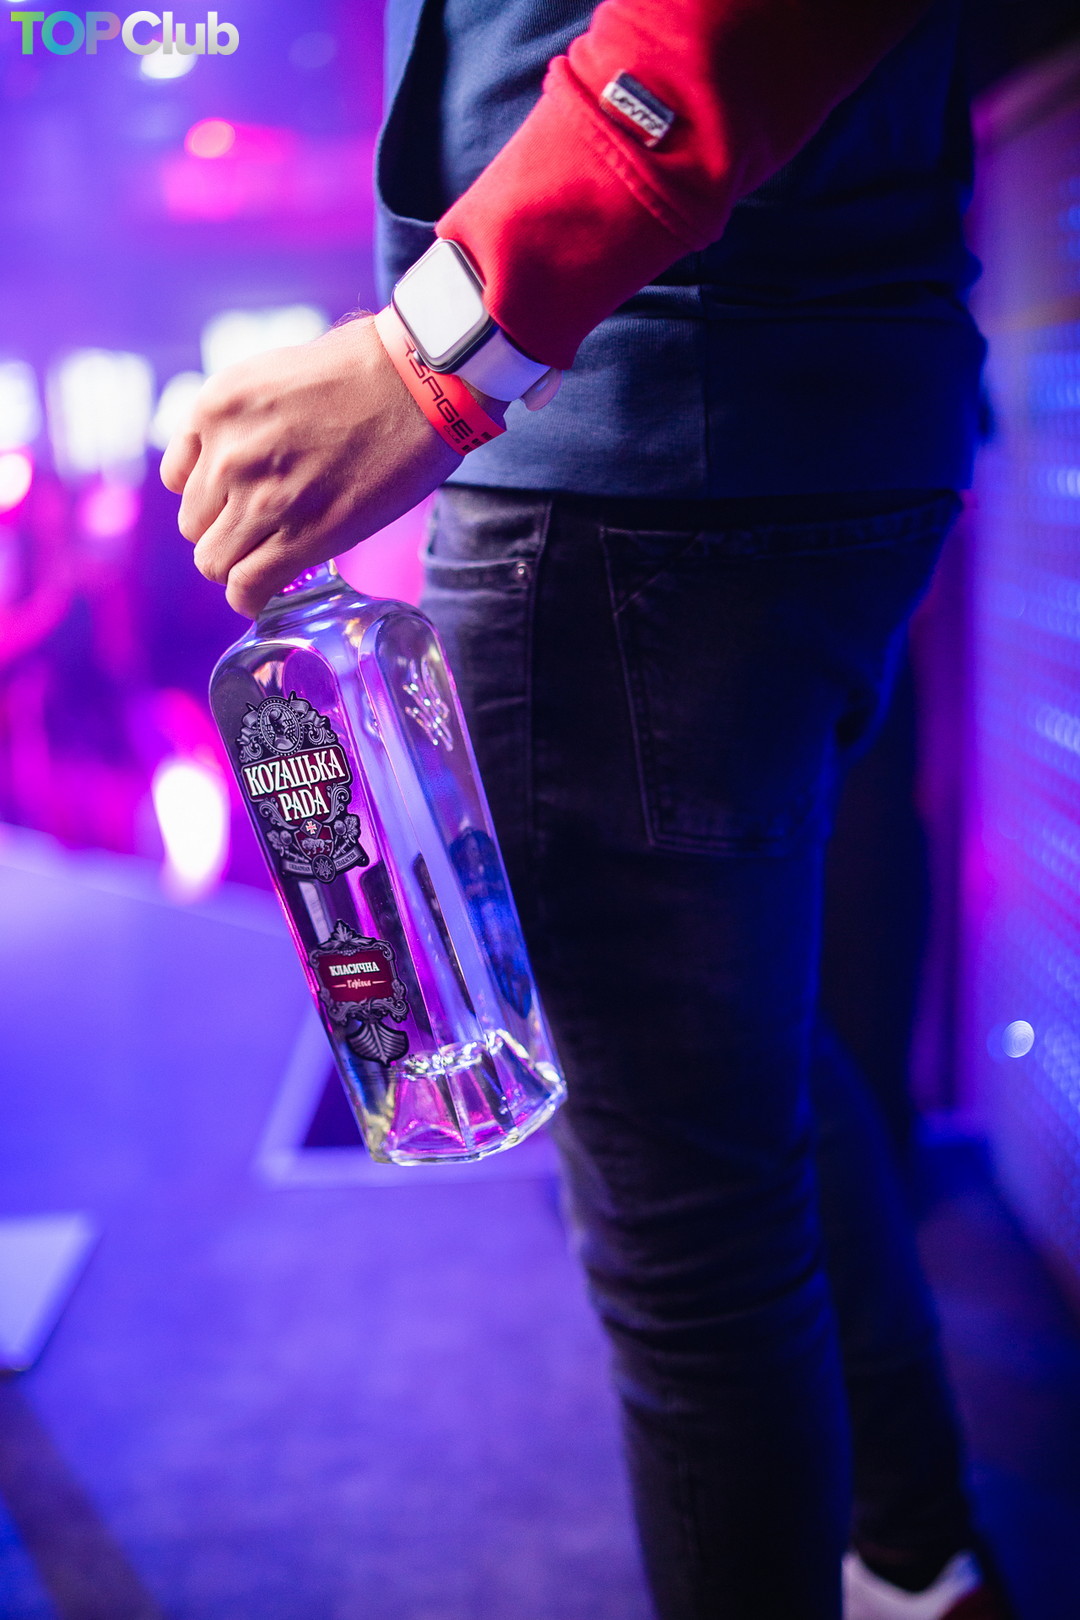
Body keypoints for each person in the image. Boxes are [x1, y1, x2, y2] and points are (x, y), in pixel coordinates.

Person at [161, 2, 1010, 1614]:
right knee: (752, 1078)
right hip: (817, 406)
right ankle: (918, 1564)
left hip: (630, 441)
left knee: (690, 1245)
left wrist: (426, 355)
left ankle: (915, 1556)